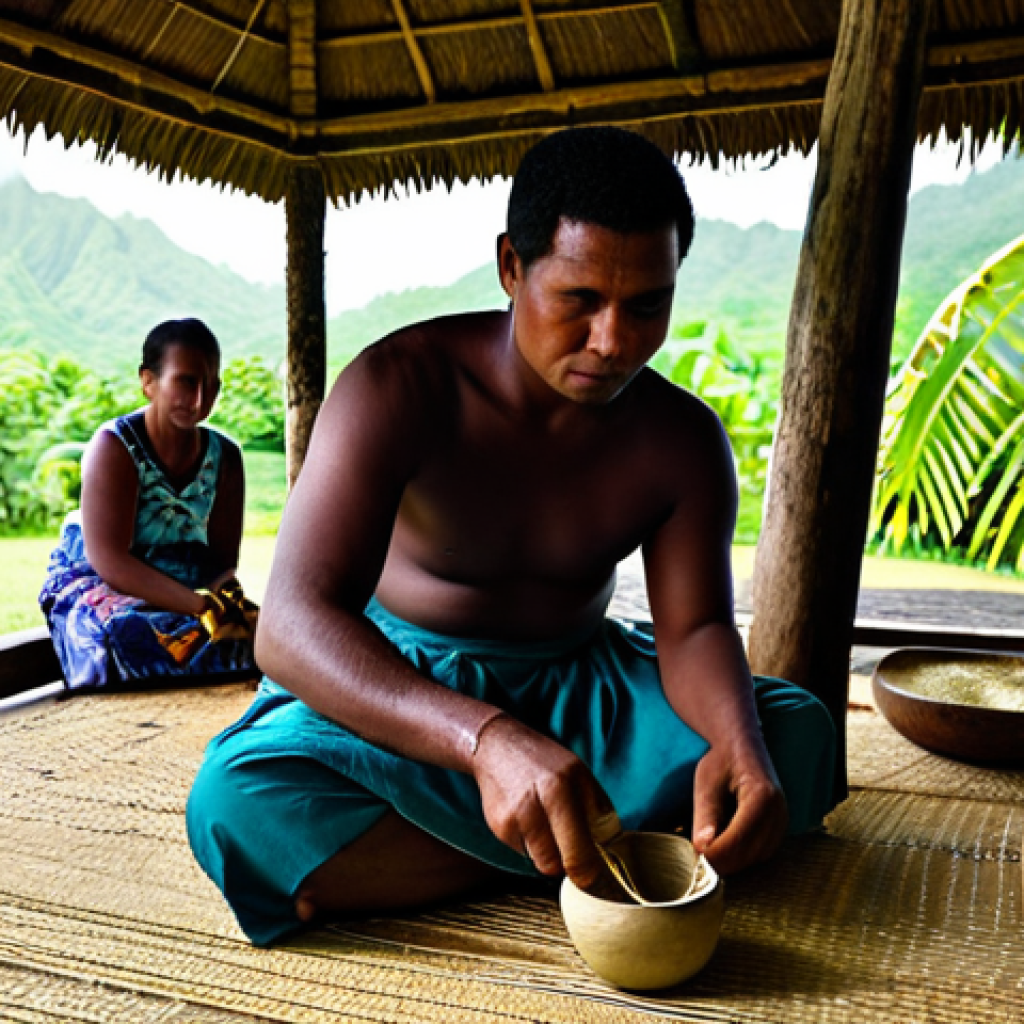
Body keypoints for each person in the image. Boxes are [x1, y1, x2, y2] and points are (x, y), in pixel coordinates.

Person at [187, 127, 835, 947]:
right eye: (580, 301)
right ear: (511, 267)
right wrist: (487, 741)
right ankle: (608, 847)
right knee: (240, 802)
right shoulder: (398, 388)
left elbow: (696, 629)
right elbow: (291, 627)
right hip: (412, 688)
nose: (613, 341)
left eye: (646, 306)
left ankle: (526, 844)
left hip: (584, 688)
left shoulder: (680, 440)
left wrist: (739, 748)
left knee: (796, 736)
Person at [39, 318, 258, 692]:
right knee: (125, 635)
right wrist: (200, 608)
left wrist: (237, 611)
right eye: (186, 382)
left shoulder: (226, 457)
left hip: (182, 589)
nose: (200, 399)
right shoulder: (114, 447)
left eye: (212, 386)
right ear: (148, 381)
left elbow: (220, 564)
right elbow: (111, 562)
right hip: (100, 584)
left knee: (261, 639)